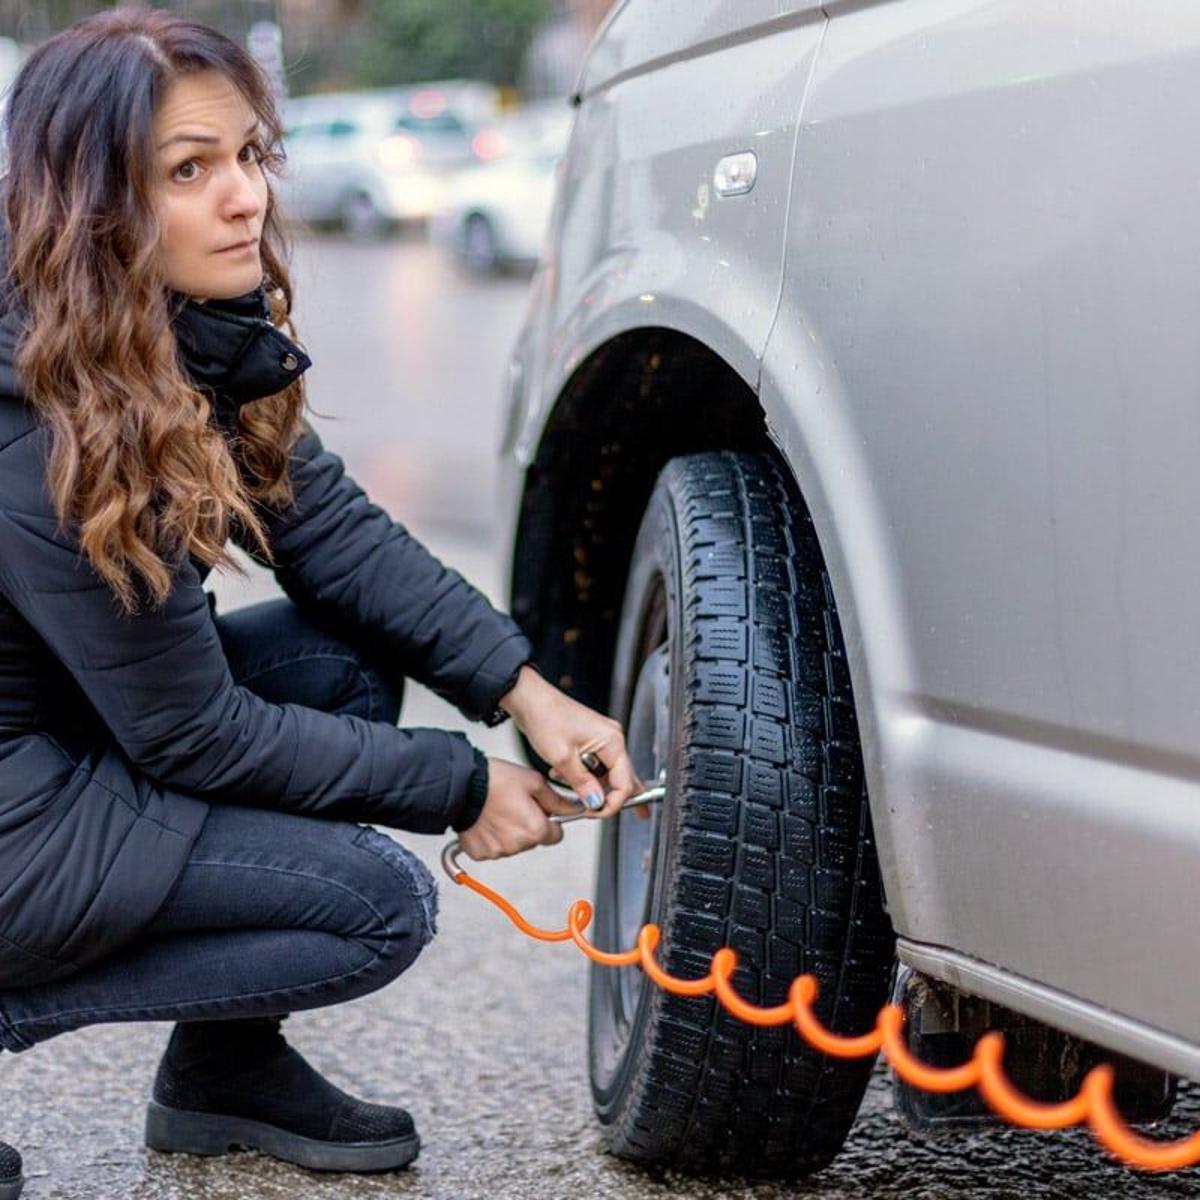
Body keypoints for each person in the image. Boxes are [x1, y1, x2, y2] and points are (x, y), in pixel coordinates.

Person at [0, 8, 639, 1193]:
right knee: (372, 908)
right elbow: (189, 733)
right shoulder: (40, 416)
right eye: (188, 171)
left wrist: (524, 695)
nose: (243, 198)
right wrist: (460, 786)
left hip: (63, 742)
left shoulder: (160, 334)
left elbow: (332, 537)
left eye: (250, 157)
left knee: (340, 658)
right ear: (92, 202)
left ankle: (222, 1079)